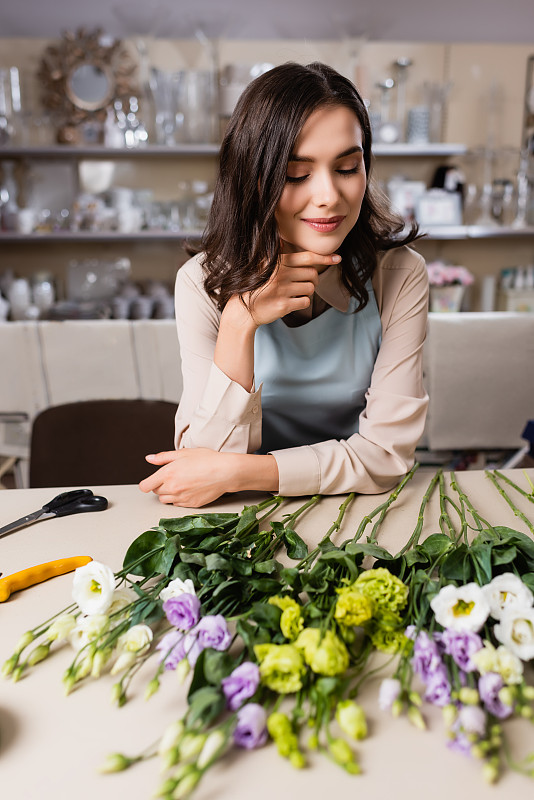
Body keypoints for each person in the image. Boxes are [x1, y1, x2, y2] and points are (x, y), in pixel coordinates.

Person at [139, 61, 429, 508]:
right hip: (245, 516)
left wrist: (241, 472)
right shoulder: (200, 283)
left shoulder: (400, 275)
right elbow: (201, 466)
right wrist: (240, 321)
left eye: (348, 167)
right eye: (297, 174)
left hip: (363, 509)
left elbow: (386, 457)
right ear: (253, 179)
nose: (329, 195)